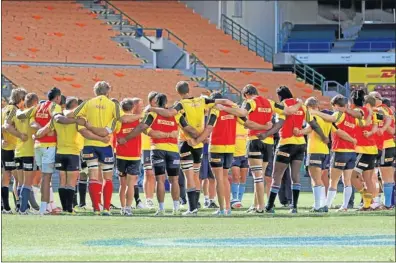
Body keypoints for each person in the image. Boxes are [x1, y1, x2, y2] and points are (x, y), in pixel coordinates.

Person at [147, 81, 233, 214]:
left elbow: (169, 114)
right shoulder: (202, 101)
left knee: (189, 176)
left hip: (186, 142)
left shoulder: (180, 104)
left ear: (178, 92)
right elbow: (224, 100)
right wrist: (230, 106)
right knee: (196, 175)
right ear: (189, 90)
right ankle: (195, 206)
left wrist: (152, 109)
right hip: (199, 144)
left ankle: (192, 208)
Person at [218, 85, 302, 213]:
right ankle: (255, 205)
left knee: (257, 176)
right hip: (268, 143)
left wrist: (224, 108)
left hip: (254, 139)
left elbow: (243, 113)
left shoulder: (250, 102)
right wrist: (299, 103)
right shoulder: (270, 102)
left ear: (246, 94)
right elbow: (289, 111)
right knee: (261, 175)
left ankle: (261, 207)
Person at [118, 93, 199, 216]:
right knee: (174, 180)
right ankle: (176, 208)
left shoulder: (153, 114)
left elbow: (142, 127)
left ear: (155, 102)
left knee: (160, 180)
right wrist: (201, 136)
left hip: (157, 150)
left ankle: (161, 209)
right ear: (166, 103)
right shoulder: (176, 115)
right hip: (173, 151)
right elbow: (188, 128)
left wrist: (126, 138)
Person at [72, 81, 138, 215]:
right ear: (108, 92)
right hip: (106, 146)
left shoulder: (88, 103)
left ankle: (96, 208)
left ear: (95, 91)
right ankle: (106, 208)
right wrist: (140, 115)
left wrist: (88, 125)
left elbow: (75, 114)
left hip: (89, 145)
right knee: (107, 178)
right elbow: (122, 119)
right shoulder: (113, 105)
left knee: (93, 177)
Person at [260, 86, 327, 213]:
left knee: (277, 176)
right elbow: (313, 124)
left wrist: (266, 134)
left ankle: (269, 206)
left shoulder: (283, 105)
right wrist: (323, 136)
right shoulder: (302, 106)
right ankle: (294, 207)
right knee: (295, 176)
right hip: (300, 144)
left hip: (286, 143)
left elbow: (279, 124)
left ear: (280, 96)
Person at [33, 97, 89, 214]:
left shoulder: (56, 118)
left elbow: (43, 131)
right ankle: (69, 209)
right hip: (73, 153)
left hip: (60, 153)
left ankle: (64, 208)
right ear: (75, 107)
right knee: (71, 182)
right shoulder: (78, 118)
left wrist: (35, 136)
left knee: (62, 181)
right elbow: (85, 132)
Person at [294, 97, 333, 212]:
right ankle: (322, 203)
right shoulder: (325, 117)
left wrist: (299, 132)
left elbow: (310, 128)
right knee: (319, 178)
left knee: (316, 179)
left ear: (308, 107)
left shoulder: (312, 115)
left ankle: (318, 206)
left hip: (314, 149)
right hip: (325, 150)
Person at [2, 88, 27, 213]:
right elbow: (6, 125)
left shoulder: (4, 109)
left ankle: (6, 207)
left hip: (6, 148)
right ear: (20, 99)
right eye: (24, 99)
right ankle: (20, 206)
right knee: (18, 178)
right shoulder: (13, 110)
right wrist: (20, 135)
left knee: (7, 177)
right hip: (13, 148)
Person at [370, 92, 395, 210]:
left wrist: (384, 128)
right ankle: (386, 203)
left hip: (385, 145)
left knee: (384, 176)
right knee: (384, 176)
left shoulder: (381, 109)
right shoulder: (387, 109)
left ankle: (386, 203)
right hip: (386, 145)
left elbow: (391, 129)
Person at [142, 92, 158, 209]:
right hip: (146, 147)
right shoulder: (146, 113)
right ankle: (148, 199)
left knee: (156, 175)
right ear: (150, 101)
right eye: (154, 100)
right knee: (149, 173)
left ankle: (153, 197)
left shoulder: (163, 113)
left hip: (158, 146)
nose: (156, 102)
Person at [230, 119, 249, 208]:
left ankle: (239, 201)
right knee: (236, 177)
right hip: (234, 155)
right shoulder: (233, 123)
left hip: (244, 155)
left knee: (243, 179)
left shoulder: (247, 124)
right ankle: (234, 199)